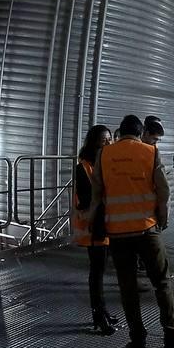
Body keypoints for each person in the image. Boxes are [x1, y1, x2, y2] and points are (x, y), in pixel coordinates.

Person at [91, 114, 174, 348]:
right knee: (161, 282)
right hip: (146, 229)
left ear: (120, 131)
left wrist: (97, 224)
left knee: (127, 287)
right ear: (141, 133)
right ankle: (171, 334)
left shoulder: (104, 154)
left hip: (117, 233)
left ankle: (137, 338)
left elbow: (97, 193)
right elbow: (163, 191)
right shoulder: (150, 152)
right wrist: (162, 220)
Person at [72, 124, 119, 333]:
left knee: (101, 270)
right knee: (97, 271)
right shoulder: (83, 167)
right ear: (94, 142)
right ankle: (98, 316)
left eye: (110, 139)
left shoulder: (107, 163)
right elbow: (84, 200)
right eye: (104, 140)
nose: (109, 143)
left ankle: (103, 311)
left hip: (106, 224)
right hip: (93, 226)